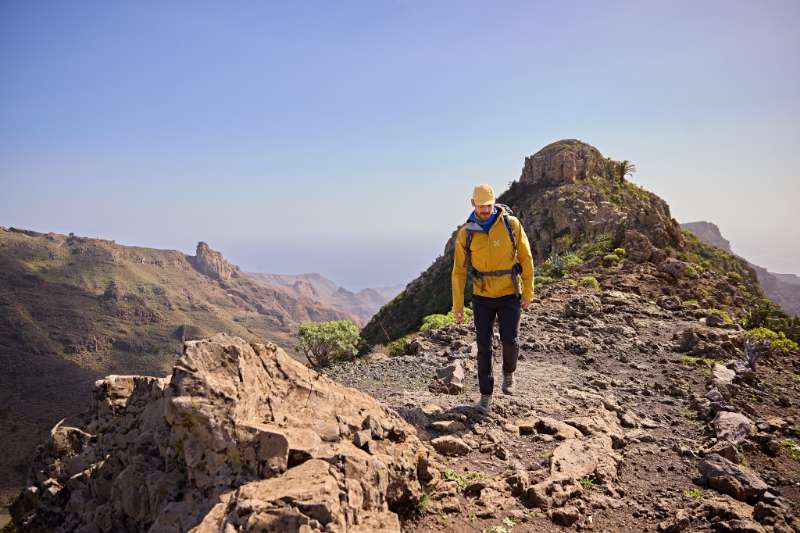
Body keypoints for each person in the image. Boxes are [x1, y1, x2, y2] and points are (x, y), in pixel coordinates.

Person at [451, 184, 534, 414]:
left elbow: (526, 258)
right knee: (484, 347)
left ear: (494, 202)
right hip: (482, 297)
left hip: (509, 293)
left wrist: (528, 292)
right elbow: (458, 271)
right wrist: (457, 305)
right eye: (481, 206)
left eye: (488, 206)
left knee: (510, 340)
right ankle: (485, 395)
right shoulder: (466, 233)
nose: (485, 210)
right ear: (473, 204)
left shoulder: (511, 225)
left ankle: (509, 372)